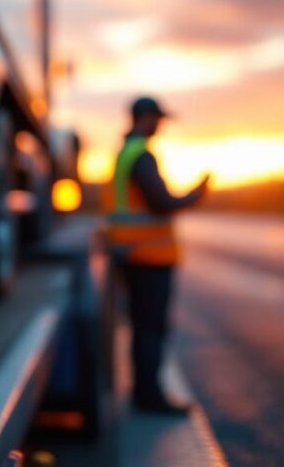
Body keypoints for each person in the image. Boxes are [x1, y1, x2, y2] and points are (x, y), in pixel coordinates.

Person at [106, 96, 209, 415]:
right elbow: (161, 201)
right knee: (151, 327)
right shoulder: (141, 155)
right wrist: (195, 194)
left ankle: (144, 392)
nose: (160, 124)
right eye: (157, 118)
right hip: (148, 257)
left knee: (143, 326)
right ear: (144, 117)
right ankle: (149, 397)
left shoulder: (127, 152)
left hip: (135, 254)